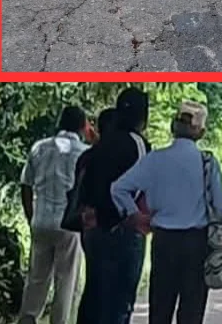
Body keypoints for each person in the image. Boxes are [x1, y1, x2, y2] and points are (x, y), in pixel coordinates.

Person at [111, 101, 222, 324]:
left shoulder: (155, 159)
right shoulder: (207, 162)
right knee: (191, 310)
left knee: (161, 308)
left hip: (164, 241)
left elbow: (119, 188)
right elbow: (221, 207)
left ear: (173, 126)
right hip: (197, 242)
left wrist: (135, 215)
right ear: (201, 132)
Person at [75, 88, 151, 324]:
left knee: (95, 295)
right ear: (143, 116)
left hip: (92, 229)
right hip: (123, 229)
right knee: (119, 303)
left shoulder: (96, 148)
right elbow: (142, 185)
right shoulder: (138, 144)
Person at [17, 106, 90, 324]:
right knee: (65, 282)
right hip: (69, 224)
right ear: (83, 126)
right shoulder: (84, 152)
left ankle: (28, 318)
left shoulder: (39, 148)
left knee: (36, 279)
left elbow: (25, 184)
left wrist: (31, 216)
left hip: (41, 222)